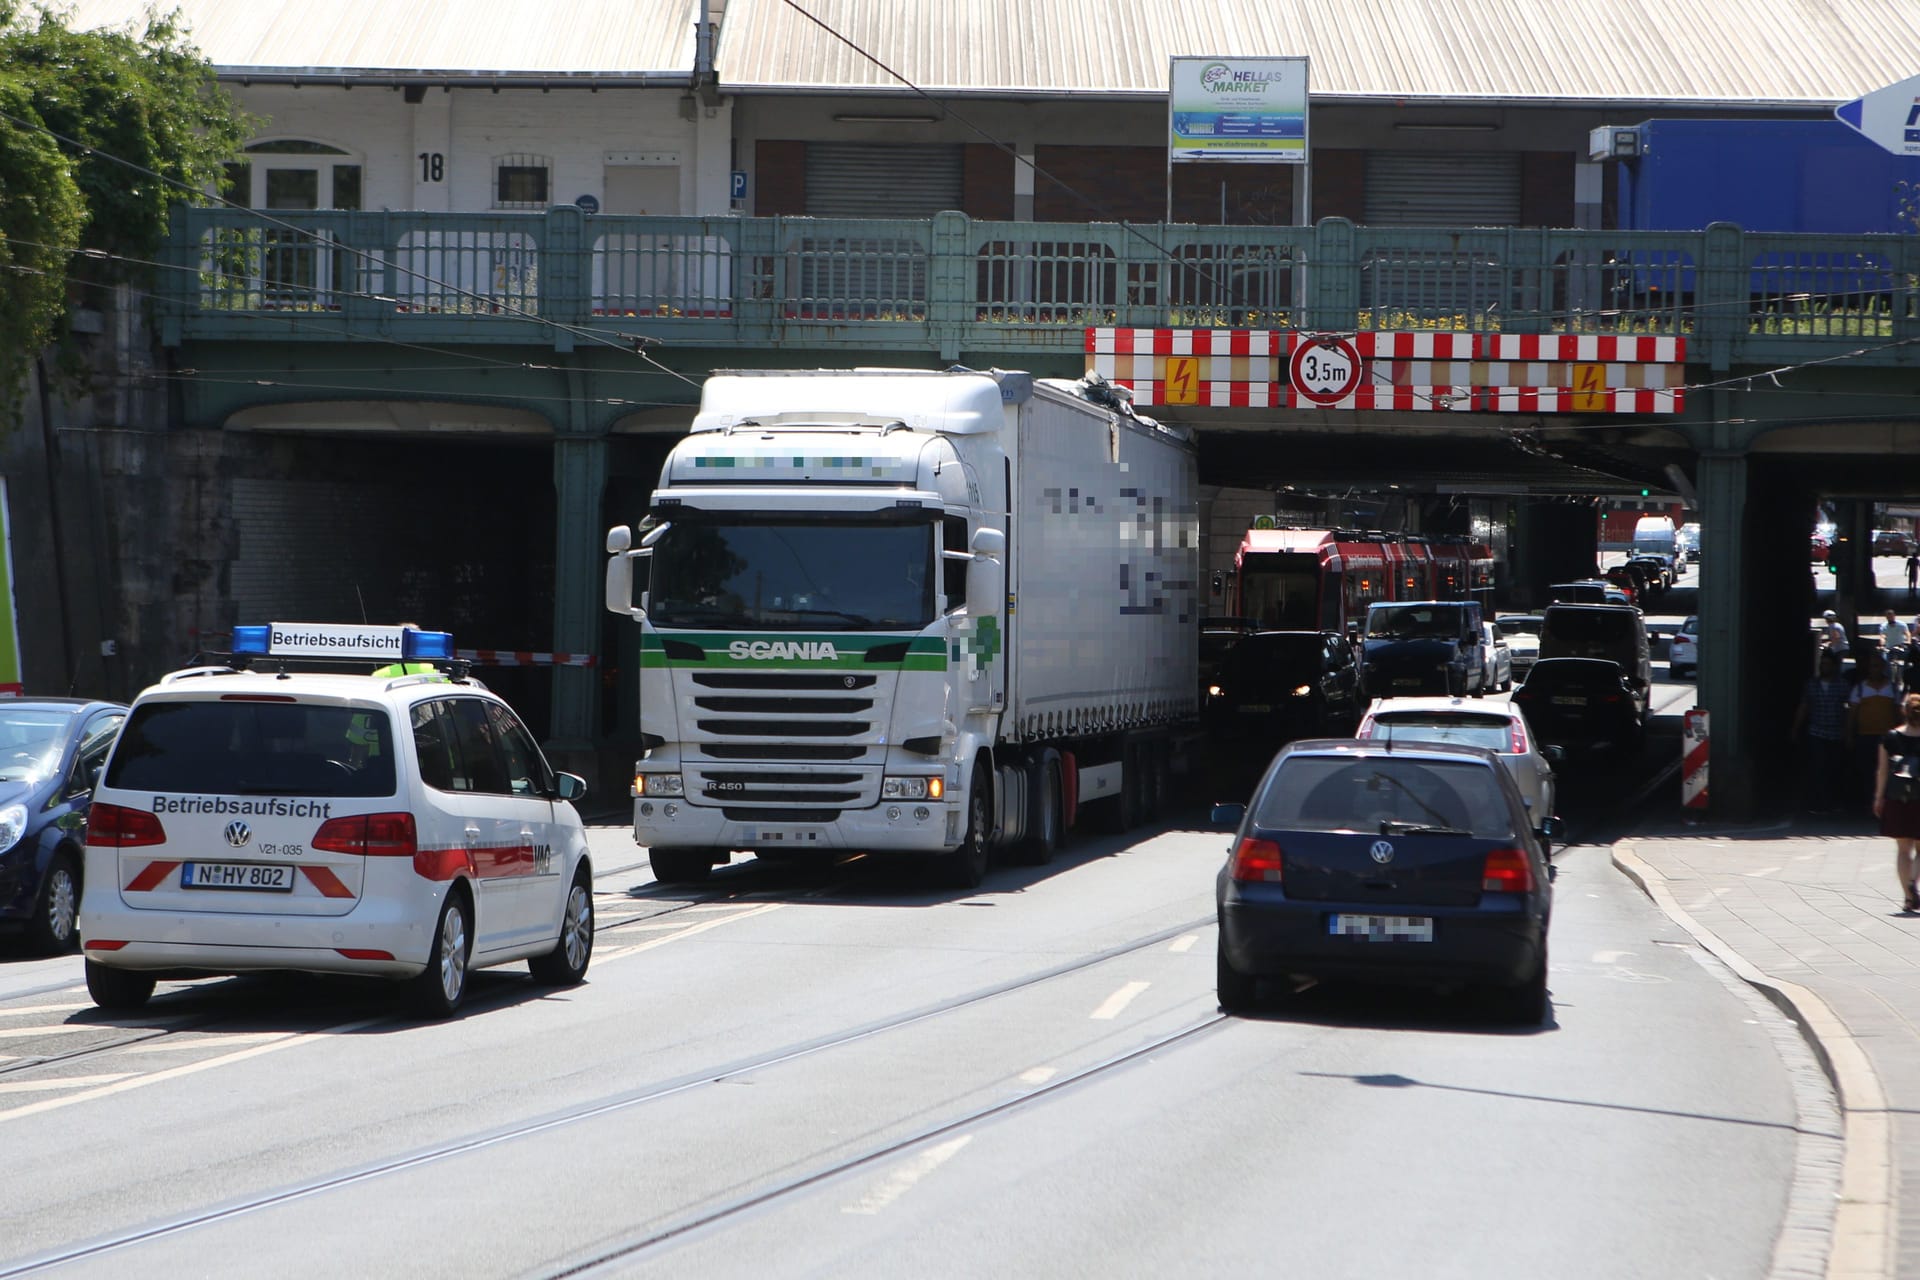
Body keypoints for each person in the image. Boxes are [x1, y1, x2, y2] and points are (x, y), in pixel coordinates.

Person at [1873, 691, 1920, 911]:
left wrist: (1879, 797)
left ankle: (1907, 898)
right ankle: (1913, 882)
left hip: (1897, 798)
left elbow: (1883, 771)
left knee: (1903, 849)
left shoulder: (1891, 737)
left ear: (1904, 711)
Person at [1794, 649, 1853, 813]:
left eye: (1827, 664)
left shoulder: (1842, 685)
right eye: (1822, 664)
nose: (1824, 667)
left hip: (1836, 733)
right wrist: (1795, 728)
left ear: (1834, 666)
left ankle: (1835, 801)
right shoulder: (1811, 684)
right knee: (1818, 768)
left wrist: (1848, 733)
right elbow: (1804, 707)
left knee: (1835, 768)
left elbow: (1849, 710)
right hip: (1817, 732)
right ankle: (1821, 802)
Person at [1849, 649, 1903, 810]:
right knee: (1866, 772)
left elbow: (1899, 713)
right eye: (1873, 666)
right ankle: (1868, 804)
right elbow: (1851, 715)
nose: (1875, 669)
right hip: (1865, 737)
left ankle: (1886, 805)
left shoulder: (1892, 689)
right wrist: (1848, 735)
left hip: (1887, 737)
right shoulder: (1859, 688)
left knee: (1888, 772)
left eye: (1878, 666)